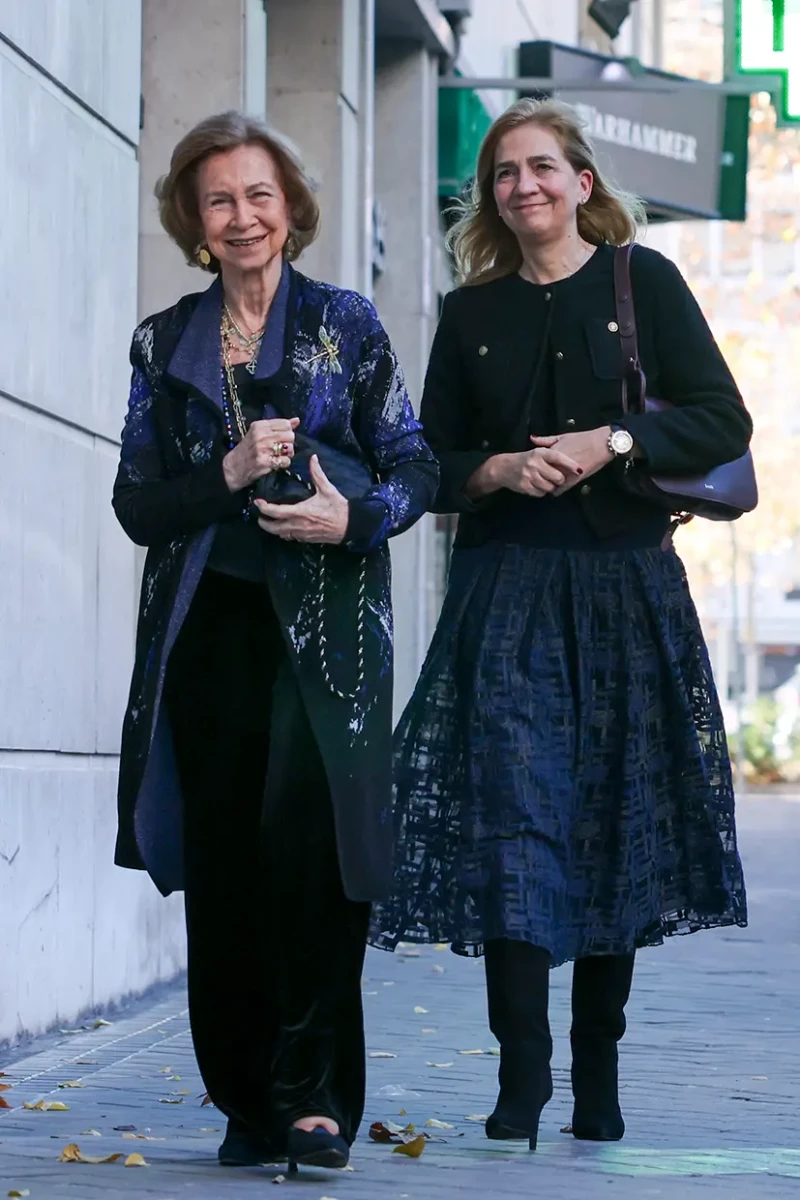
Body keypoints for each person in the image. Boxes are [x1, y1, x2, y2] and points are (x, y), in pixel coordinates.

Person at [371, 98, 750, 1151]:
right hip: (506, 592)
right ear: (490, 195)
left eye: (542, 168)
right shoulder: (469, 312)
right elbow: (426, 460)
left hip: (626, 590)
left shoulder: (645, 284)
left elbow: (722, 417)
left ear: (582, 183)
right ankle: (520, 1076)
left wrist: (610, 443)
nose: (523, 186)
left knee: (607, 823)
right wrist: (491, 468)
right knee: (512, 828)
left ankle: (596, 1069)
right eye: (504, 174)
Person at [112, 111, 437, 1174]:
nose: (243, 217)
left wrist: (355, 517)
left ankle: (314, 1102)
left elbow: (414, 465)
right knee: (226, 867)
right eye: (219, 200)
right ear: (194, 222)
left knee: (311, 860)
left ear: (290, 209)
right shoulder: (164, 344)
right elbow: (138, 505)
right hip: (207, 634)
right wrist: (230, 473)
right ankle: (245, 1102)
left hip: (329, 634)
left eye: (259, 196)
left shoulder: (345, 323)